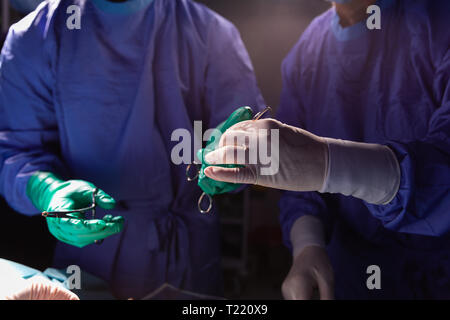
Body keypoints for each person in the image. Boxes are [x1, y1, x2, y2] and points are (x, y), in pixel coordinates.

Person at [0, 0, 264, 299]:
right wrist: (46, 190)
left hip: (188, 255)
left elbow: (254, 145)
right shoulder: (37, 37)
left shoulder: (211, 33)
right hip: (88, 252)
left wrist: (232, 160)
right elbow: (16, 153)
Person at [205, 0, 450, 299]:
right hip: (344, 278)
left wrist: (327, 164)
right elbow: (300, 189)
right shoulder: (310, 49)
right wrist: (308, 247)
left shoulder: (436, 24)